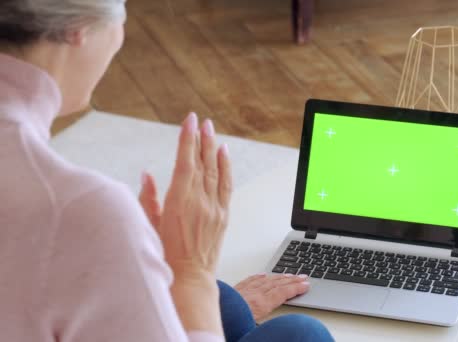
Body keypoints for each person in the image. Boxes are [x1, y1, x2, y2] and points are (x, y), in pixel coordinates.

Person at [0, 1, 334, 341]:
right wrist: (193, 276)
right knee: (301, 332)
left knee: (228, 304)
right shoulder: (78, 208)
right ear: (79, 30)